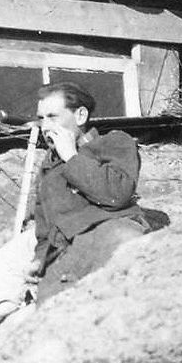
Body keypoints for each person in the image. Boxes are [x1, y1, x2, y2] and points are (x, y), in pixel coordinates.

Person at [29, 82, 165, 298]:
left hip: (110, 233)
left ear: (81, 116)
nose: (45, 127)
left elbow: (118, 194)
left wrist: (72, 157)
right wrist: (39, 259)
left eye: (53, 117)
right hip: (67, 255)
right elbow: (45, 230)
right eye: (41, 118)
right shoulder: (48, 168)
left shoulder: (113, 142)